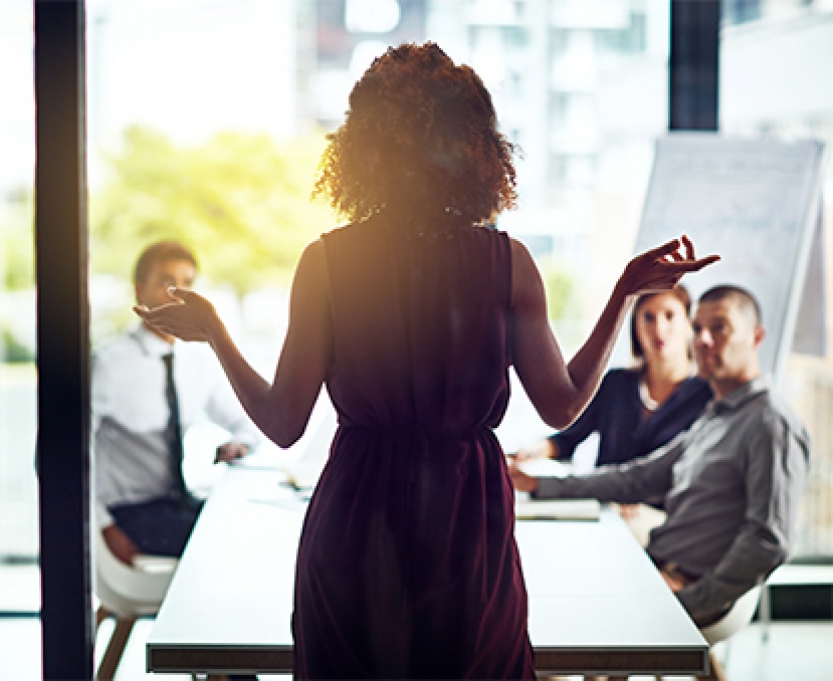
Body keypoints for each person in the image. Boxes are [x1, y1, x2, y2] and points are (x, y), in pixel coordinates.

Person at [138, 43, 717, 679]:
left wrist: (218, 332)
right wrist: (623, 294)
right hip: (467, 518)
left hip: (356, 513)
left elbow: (283, 424)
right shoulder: (507, 262)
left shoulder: (327, 263)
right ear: (471, 145)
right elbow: (561, 404)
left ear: (366, 147)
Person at [510, 285, 810, 627]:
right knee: (545, 596)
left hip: (688, 585)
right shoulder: (718, 414)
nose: (704, 340)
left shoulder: (770, 422)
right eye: (698, 328)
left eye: (720, 327)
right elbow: (639, 476)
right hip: (657, 564)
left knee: (554, 620)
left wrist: (690, 600)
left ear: (756, 338)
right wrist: (540, 484)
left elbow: (768, 541)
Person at [92, 240, 259, 565]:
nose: (178, 294)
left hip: (176, 504)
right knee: (226, 542)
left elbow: (248, 423)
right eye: (166, 282)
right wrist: (103, 526)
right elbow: (61, 457)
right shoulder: (109, 364)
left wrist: (240, 443)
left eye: (187, 283)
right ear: (140, 290)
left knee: (246, 523)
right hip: (129, 514)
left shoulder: (197, 360)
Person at [515, 285, 712, 470]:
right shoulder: (615, 384)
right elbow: (566, 439)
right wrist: (532, 452)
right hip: (603, 502)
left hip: (665, 506)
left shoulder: (707, 394)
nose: (659, 328)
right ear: (635, 327)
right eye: (648, 317)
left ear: (689, 324)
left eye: (670, 316)